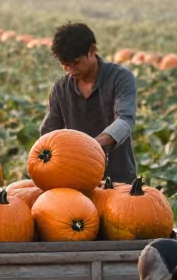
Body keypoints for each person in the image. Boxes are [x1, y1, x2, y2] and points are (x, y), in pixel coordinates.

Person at [41, 21, 136, 183]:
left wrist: (90, 146)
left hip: (118, 179)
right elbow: (49, 131)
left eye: (75, 63)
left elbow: (125, 120)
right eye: (65, 65)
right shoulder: (61, 88)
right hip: (77, 179)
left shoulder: (120, 78)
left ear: (92, 50)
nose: (70, 69)